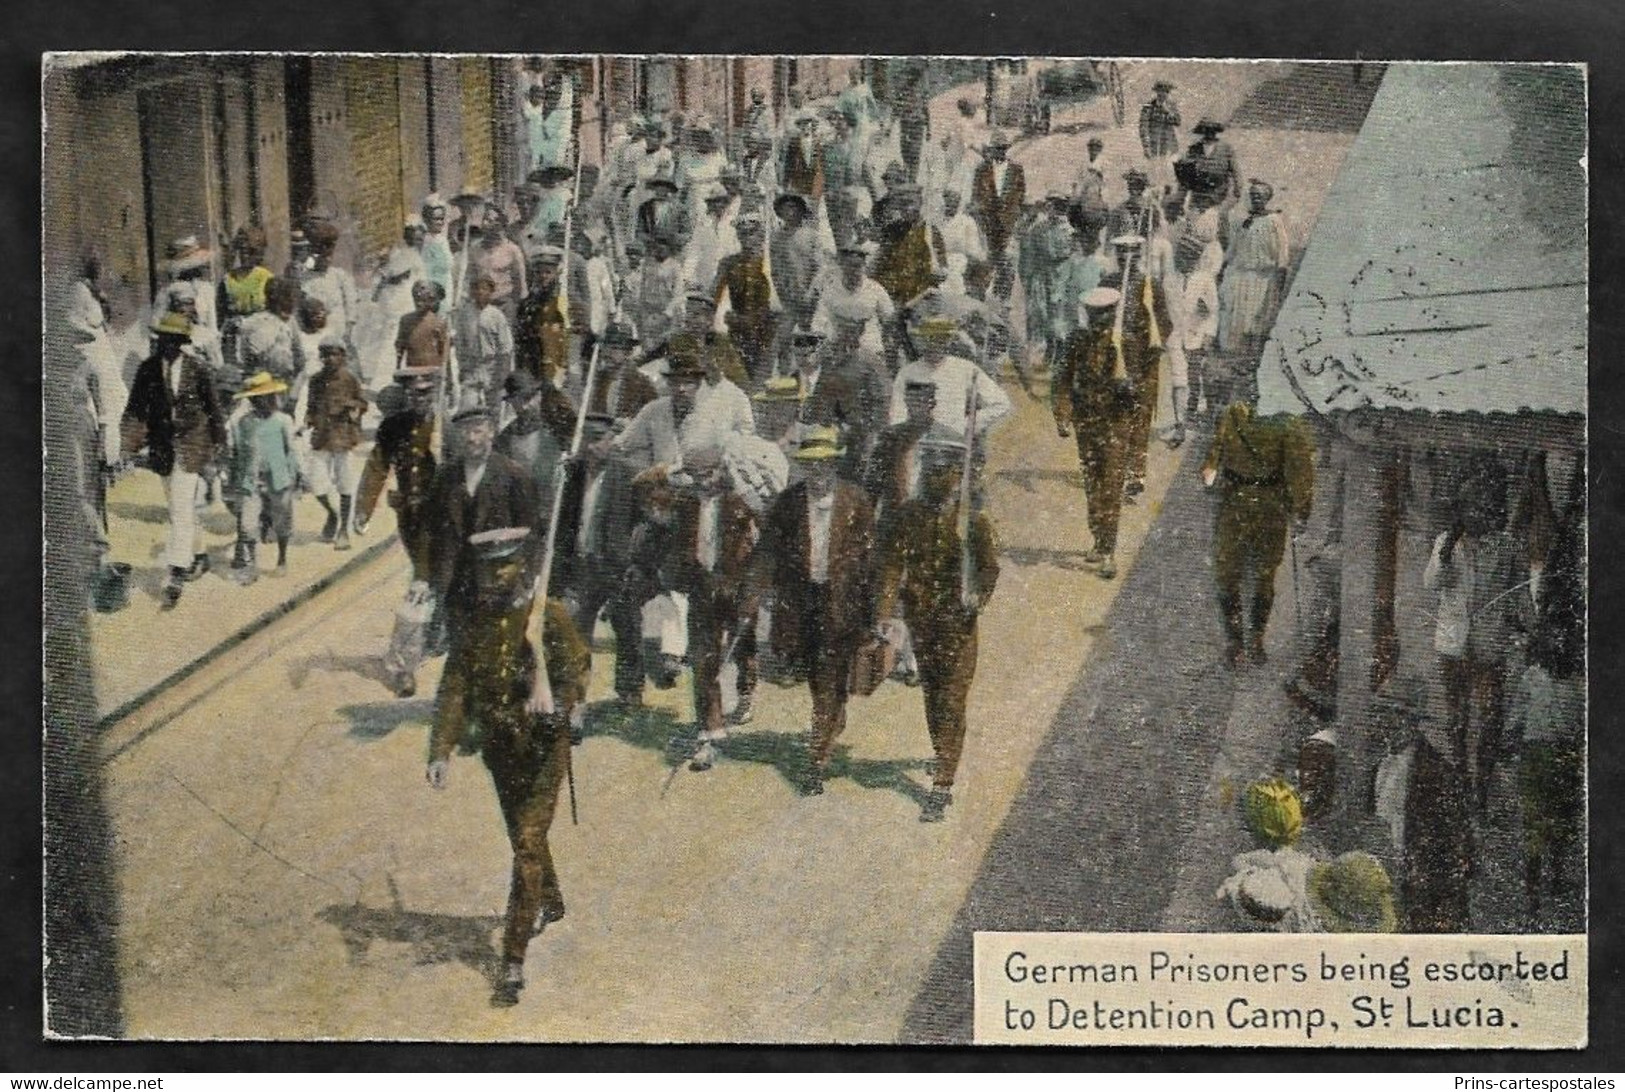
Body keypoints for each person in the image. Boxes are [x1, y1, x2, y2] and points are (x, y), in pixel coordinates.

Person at [424, 524, 589, 1008]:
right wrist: (440, 750)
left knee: (527, 842)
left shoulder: (548, 616)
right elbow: (454, 688)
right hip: (499, 747)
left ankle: (512, 959)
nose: (496, 580)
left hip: (543, 748)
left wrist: (561, 704)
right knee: (525, 835)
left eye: (506, 569)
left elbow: (577, 669)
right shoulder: (474, 626)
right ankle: (549, 901)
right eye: (488, 572)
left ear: (524, 568)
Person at [875, 434, 999, 821]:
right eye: (933, 467)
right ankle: (941, 752)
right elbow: (893, 566)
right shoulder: (909, 515)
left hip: (958, 624)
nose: (938, 475)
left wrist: (977, 597)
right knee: (932, 696)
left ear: (959, 473)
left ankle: (942, 782)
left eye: (947, 469)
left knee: (952, 698)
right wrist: (884, 611)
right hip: (922, 621)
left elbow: (989, 568)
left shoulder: (972, 519)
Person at [748, 426, 877, 795]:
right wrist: (755, 594)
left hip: (842, 606)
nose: (817, 472)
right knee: (816, 677)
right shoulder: (788, 503)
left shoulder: (856, 501)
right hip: (802, 604)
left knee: (829, 677)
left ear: (835, 464)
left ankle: (816, 761)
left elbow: (871, 562)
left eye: (824, 464)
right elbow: (769, 551)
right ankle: (831, 716)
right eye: (810, 465)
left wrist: (874, 616)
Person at [661, 445, 762, 771]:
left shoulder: (738, 502)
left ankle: (746, 689)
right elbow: (648, 491)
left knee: (744, 647)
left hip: (737, 590)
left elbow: (766, 516)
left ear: (723, 471)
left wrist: (738, 479)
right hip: (703, 590)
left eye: (712, 474)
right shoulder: (686, 504)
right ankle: (710, 731)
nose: (705, 482)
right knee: (704, 661)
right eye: (698, 476)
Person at [120, 312, 227, 608]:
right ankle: (200, 554)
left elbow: (215, 411)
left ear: (182, 343)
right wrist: (127, 446)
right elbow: (135, 410)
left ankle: (175, 575)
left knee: (179, 512)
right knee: (180, 507)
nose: (166, 346)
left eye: (172, 341)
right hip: (163, 450)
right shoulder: (147, 370)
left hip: (192, 447)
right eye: (162, 340)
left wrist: (220, 448)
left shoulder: (198, 369)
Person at [1201, 399, 1315, 667]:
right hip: (1268, 506)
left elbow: (1213, 458)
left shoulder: (1231, 412)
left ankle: (1238, 642)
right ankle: (1253, 641)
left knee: (1229, 574)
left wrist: (1210, 476)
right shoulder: (1288, 420)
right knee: (1260, 576)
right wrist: (1302, 510)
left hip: (1236, 505)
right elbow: (1301, 472)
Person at [357, 368, 442, 696]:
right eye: (413, 393)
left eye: (425, 392)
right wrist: (364, 510)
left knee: (443, 585)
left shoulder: (447, 427)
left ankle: (431, 642)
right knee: (421, 586)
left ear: (435, 391)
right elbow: (378, 466)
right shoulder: (394, 427)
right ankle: (402, 665)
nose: (419, 398)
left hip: (450, 520)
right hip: (415, 520)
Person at [555, 412, 647, 708]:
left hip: (618, 569)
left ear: (612, 441)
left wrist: (636, 561)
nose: (592, 448)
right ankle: (576, 696)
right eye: (587, 440)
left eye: (599, 440)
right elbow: (561, 522)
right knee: (577, 631)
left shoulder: (630, 475)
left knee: (628, 627)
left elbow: (647, 523)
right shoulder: (571, 476)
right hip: (582, 566)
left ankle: (630, 690)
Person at [1053, 288, 1135, 580]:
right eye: (1095, 315)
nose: (1101, 320)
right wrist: (1062, 415)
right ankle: (1099, 540)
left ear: (1113, 314)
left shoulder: (1124, 342)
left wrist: (1128, 387)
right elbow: (1061, 379)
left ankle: (1109, 550)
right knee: (1092, 483)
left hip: (1115, 424)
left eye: (1106, 315)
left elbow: (1143, 388)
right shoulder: (1077, 341)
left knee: (1111, 485)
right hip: (1087, 423)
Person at [1105, 233, 1173, 501]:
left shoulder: (1150, 284)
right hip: (1115, 356)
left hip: (1144, 356)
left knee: (1141, 415)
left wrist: (1151, 356)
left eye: (1132, 254)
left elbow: (1165, 322)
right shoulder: (1108, 282)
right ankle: (1116, 471)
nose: (1126, 259)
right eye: (1121, 253)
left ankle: (1136, 475)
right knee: (1115, 417)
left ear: (1139, 256)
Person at [805, 300, 893, 483]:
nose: (846, 333)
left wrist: (867, 436)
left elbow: (882, 403)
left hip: (857, 437)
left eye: (853, 329)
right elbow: (819, 390)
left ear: (861, 331)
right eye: (841, 327)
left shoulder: (871, 362)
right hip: (828, 433)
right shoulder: (827, 356)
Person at [889, 315, 1012, 442]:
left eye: (941, 339)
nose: (935, 344)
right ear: (922, 340)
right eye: (930, 338)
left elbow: (1001, 403)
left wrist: (969, 424)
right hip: (917, 442)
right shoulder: (908, 373)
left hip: (952, 442)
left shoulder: (965, 369)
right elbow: (898, 412)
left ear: (949, 341)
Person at [226, 371, 297, 583]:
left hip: (278, 478)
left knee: (282, 519)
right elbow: (238, 451)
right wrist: (235, 477)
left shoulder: (283, 420)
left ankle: (282, 559)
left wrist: (293, 476)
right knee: (248, 523)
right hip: (251, 478)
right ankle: (251, 566)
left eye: (268, 398)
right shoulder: (244, 422)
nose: (264, 402)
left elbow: (291, 450)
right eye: (257, 399)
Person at [1215, 179, 1292, 369]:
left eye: (1259, 195)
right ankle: (1234, 359)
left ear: (1267, 197)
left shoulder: (1274, 221)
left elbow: (1282, 253)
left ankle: (1252, 359)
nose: (1255, 198)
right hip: (1240, 275)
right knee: (1235, 316)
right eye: (1253, 194)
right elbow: (1232, 249)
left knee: (1256, 318)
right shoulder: (1242, 221)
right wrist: (1222, 268)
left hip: (1262, 278)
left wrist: (1280, 277)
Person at [304, 336, 368, 550]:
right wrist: (307, 421)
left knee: (345, 484)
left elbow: (362, 403)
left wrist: (351, 407)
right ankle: (332, 514)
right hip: (321, 436)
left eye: (334, 354)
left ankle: (343, 531)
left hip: (343, 437)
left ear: (343, 356)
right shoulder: (315, 381)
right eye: (325, 354)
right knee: (317, 484)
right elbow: (311, 407)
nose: (330, 359)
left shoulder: (350, 379)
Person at [494, 369, 578, 529]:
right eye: (518, 401)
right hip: (518, 518)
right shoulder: (504, 439)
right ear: (511, 403)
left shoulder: (557, 432)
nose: (525, 406)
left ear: (538, 396)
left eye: (528, 398)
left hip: (553, 517)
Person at [1018, 192, 1076, 382]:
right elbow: (1027, 243)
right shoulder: (1040, 228)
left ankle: (1059, 357)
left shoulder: (1069, 230)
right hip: (1043, 278)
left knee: (1058, 319)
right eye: (1048, 206)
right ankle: (1047, 355)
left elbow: (1061, 253)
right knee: (1041, 317)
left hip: (1061, 279)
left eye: (1052, 206)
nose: (1049, 209)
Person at [714, 213, 778, 385]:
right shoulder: (729, 263)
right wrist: (723, 317)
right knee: (738, 380)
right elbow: (714, 298)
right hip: (739, 331)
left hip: (768, 331)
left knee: (765, 383)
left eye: (752, 232)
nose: (747, 238)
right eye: (742, 233)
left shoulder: (772, 261)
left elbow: (779, 300)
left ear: (761, 234)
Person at [968, 130, 1026, 303]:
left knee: (1007, 262)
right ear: (991, 150)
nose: (999, 152)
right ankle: (983, 298)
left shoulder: (1016, 169)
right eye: (997, 149)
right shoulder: (982, 169)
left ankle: (1003, 299)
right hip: (988, 224)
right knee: (988, 260)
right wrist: (979, 215)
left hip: (1008, 223)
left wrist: (1015, 216)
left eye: (1002, 149)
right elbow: (976, 195)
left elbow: (1021, 194)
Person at [813, 240, 895, 360]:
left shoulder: (875, 289)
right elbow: (819, 318)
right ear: (842, 266)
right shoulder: (831, 289)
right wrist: (822, 336)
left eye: (857, 266)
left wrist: (887, 339)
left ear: (863, 266)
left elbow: (889, 317)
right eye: (848, 266)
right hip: (837, 344)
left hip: (868, 344)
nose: (853, 271)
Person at [299, 220, 360, 365]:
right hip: (316, 330)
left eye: (328, 256)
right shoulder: (305, 279)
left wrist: (349, 329)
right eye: (320, 256)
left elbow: (351, 305)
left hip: (339, 328)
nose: (325, 260)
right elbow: (302, 307)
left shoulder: (339, 275)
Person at [452, 273, 516, 411]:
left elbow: (505, 347)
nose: (480, 292)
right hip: (472, 367)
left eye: (484, 289)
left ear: (491, 292)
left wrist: (502, 374)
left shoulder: (496, 315)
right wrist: (462, 368)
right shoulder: (465, 313)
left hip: (492, 366)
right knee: (468, 406)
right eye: (477, 289)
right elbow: (460, 343)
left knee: (493, 408)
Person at [586, 321, 659, 422]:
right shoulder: (598, 379)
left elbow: (655, 419)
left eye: (615, 348)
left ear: (628, 352)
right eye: (605, 347)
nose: (607, 353)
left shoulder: (642, 383)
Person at [470, 206, 529, 329]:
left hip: (505, 304)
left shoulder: (512, 250)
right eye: (485, 219)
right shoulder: (475, 249)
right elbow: (469, 279)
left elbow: (522, 286)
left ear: (501, 225)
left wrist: (517, 309)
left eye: (491, 220)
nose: (485, 224)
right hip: (481, 305)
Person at [1174, 117, 1242, 210]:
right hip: (1199, 194)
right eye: (1206, 130)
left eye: (1212, 130)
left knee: (1216, 218)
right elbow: (1185, 176)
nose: (1209, 133)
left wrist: (1238, 188)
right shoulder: (1194, 149)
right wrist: (1181, 197)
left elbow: (1236, 171)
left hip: (1219, 194)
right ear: (1202, 131)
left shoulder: (1226, 149)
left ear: (1216, 131)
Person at [395, 279, 451, 388]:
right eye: (416, 299)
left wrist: (448, 379)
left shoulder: (439, 322)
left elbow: (444, 352)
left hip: (432, 371)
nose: (419, 302)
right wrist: (397, 371)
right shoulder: (406, 320)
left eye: (423, 299)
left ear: (430, 300)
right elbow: (400, 346)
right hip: (412, 371)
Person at [937, 190, 986, 298]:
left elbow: (975, 251)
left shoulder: (967, 222)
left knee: (953, 277)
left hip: (958, 261)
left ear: (959, 202)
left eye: (955, 200)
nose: (951, 203)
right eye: (948, 200)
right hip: (937, 260)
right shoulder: (937, 219)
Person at [1138, 79, 1183, 180]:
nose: (1163, 94)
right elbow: (1143, 127)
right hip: (1154, 145)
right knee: (1155, 174)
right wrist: (1146, 146)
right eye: (1161, 91)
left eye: (1166, 92)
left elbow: (1178, 122)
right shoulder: (1148, 107)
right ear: (1157, 92)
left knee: (1169, 174)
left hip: (1169, 145)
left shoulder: (1171, 106)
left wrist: (1168, 112)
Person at [420, 195, 455, 302]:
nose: (440, 222)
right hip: (435, 293)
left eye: (441, 218)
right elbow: (426, 272)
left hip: (447, 287)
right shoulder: (426, 243)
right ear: (426, 220)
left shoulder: (441, 240)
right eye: (436, 219)